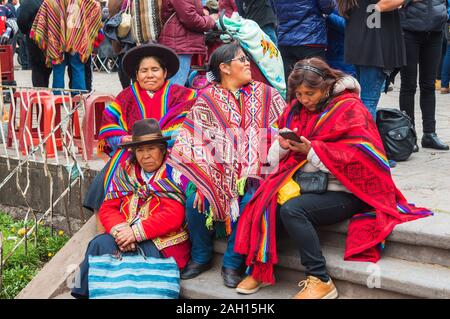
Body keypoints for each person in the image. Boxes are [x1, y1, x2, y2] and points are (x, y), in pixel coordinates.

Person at [234, 58, 432, 299]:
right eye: (299, 94)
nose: (304, 99)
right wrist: (284, 146)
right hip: (305, 185)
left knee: (292, 210)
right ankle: (261, 269)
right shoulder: (295, 109)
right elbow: (272, 160)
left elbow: (362, 160)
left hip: (348, 190)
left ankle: (320, 279)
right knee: (263, 200)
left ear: (327, 86)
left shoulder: (350, 109)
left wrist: (312, 152)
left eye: (310, 93)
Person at [168, 42, 286, 288]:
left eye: (247, 58)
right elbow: (194, 142)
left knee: (249, 203)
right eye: (241, 59)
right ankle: (201, 256)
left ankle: (233, 263)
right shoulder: (207, 100)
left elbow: (282, 130)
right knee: (195, 202)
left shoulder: (267, 94)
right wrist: (203, 181)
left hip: (258, 172)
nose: (247, 63)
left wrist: (262, 162)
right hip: (216, 173)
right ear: (224, 67)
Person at [72, 118, 191, 299]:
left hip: (161, 240)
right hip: (125, 232)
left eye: (151, 149)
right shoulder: (126, 171)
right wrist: (121, 231)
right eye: (140, 150)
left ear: (162, 149)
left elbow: (173, 215)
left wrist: (135, 233)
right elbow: (108, 207)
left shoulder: (173, 172)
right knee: (99, 244)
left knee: (139, 260)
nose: (146, 156)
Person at [83, 43, 197, 217]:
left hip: (173, 153)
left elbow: (187, 127)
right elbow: (109, 127)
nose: (149, 75)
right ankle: (107, 225)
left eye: (155, 69)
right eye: (144, 71)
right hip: (132, 152)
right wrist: (123, 139)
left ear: (165, 73)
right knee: (104, 183)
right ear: (136, 74)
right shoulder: (125, 97)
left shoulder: (182, 95)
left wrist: (160, 142)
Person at [338, 0, 406, 120]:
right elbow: (385, 4)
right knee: (368, 101)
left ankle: (360, 136)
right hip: (373, 46)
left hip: (360, 43)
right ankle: (366, 138)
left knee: (364, 100)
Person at [399, 0, 449, 151]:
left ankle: (429, 133)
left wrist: (444, 13)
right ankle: (409, 135)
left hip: (435, 30)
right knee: (408, 85)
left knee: (428, 85)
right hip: (409, 31)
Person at [30, 0, 102, 92]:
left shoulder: (50, 2)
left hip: (56, 40)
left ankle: (58, 98)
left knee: (58, 68)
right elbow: (96, 6)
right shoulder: (81, 1)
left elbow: (41, 20)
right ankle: (79, 98)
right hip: (76, 40)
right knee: (77, 67)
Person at [271, 0, 335, 83]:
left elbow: (274, 9)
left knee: (291, 84)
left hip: (285, 40)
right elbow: (328, 8)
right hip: (311, 38)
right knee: (315, 82)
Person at [158, 0, 218, 86]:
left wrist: (204, 11)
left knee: (174, 87)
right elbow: (190, 18)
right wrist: (211, 20)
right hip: (179, 44)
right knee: (175, 87)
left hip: (178, 42)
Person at [17, 0, 52, 87]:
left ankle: (40, 94)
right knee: (46, 67)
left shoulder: (28, 2)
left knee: (37, 67)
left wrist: (26, 31)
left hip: (34, 37)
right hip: (50, 37)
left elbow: (21, 20)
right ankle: (44, 90)